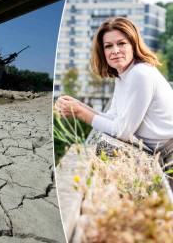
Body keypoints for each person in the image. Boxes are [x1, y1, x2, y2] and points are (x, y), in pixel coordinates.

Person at [55, 17, 173, 181]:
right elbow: (114, 118)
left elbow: (121, 131)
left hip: (169, 155)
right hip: (159, 153)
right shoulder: (123, 76)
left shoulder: (140, 74)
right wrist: (79, 106)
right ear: (102, 52)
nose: (115, 50)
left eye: (121, 43)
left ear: (133, 44)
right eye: (108, 46)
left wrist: (81, 113)